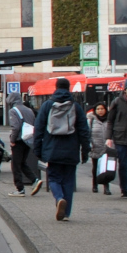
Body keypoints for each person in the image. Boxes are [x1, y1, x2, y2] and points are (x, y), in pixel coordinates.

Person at [33, 76, 91, 221]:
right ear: (69, 88)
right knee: (68, 180)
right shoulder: (76, 107)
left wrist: (38, 150)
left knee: (53, 178)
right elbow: (84, 131)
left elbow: (38, 129)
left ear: (56, 87)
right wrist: (85, 151)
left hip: (52, 150)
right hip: (71, 150)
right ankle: (66, 213)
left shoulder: (47, 105)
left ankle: (59, 198)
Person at [6, 91, 41, 197]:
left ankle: (20, 189)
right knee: (22, 163)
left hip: (19, 140)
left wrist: (12, 140)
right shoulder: (29, 110)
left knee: (15, 165)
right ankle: (35, 180)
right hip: (28, 140)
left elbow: (15, 127)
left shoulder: (14, 110)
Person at [87, 102, 111, 195]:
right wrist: (89, 144)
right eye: (98, 109)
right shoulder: (91, 120)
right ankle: (95, 185)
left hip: (106, 147)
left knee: (106, 168)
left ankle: (106, 187)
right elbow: (88, 133)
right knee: (95, 167)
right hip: (95, 146)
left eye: (102, 109)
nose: (100, 111)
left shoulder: (109, 120)